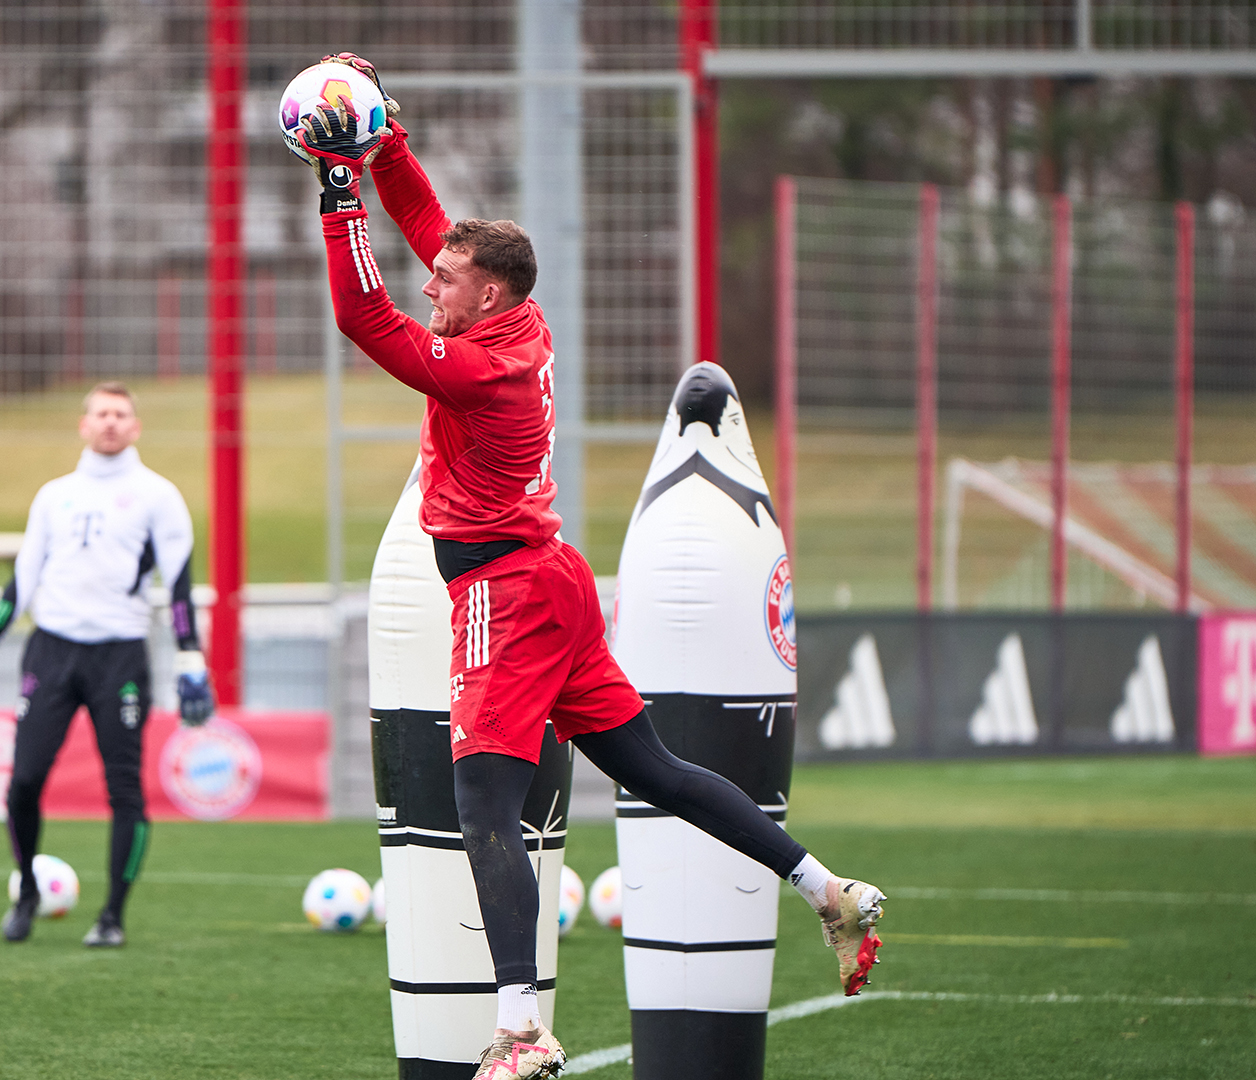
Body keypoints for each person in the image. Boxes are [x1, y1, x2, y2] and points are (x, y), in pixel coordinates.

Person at [292, 55, 885, 1080]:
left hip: (504, 596)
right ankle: (828, 889)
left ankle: (521, 1031)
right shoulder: (507, 316)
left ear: (487, 291)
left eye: (446, 274)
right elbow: (429, 220)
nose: (431, 275)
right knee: (653, 771)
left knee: (484, 808)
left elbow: (363, 317)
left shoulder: (482, 367)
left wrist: (336, 189)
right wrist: (380, 140)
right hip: (552, 579)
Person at [0, 381, 214, 948]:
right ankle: (26, 897)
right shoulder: (54, 496)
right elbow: (23, 576)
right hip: (52, 650)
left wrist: (191, 656)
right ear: (84, 425)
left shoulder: (158, 495)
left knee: (125, 792)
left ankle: (112, 916)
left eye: (121, 414)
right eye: (101, 413)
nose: (111, 422)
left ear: (135, 427)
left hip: (120, 656)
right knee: (23, 782)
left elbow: (180, 584)